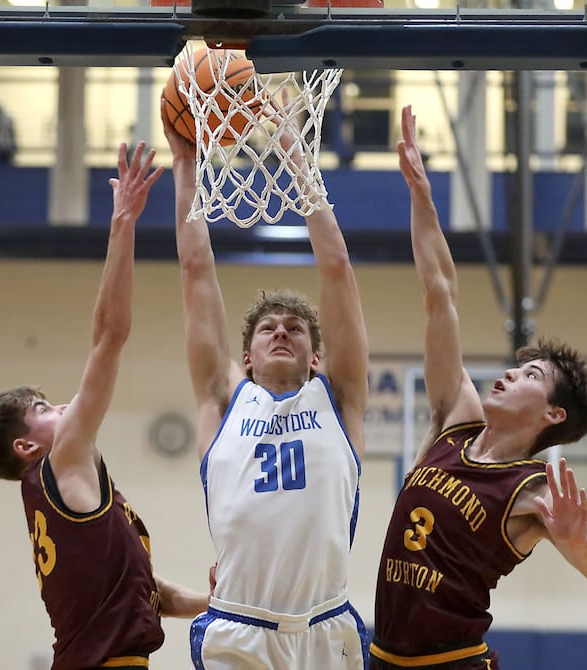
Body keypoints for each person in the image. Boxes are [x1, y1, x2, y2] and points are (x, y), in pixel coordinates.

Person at [369, 106, 587, 670]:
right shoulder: (456, 419)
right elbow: (439, 291)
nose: (511, 374)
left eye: (531, 376)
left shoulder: (533, 490)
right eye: (518, 368)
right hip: (384, 657)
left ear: (553, 417)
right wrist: (421, 193)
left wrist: (581, 546)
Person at [0, 142, 208, 670]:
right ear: (26, 444)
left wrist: (216, 605)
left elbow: (147, 592)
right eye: (43, 406)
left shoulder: (66, 492)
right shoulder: (62, 461)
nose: (61, 405)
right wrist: (123, 223)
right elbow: (109, 335)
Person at [161, 99, 371, 669]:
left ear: (317, 354)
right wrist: (186, 165)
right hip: (240, 628)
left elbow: (336, 269)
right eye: (268, 330)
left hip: (327, 628)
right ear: (245, 357)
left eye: (296, 329)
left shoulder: (340, 396)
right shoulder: (223, 399)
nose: (282, 333)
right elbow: (196, 273)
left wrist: (296, 156)